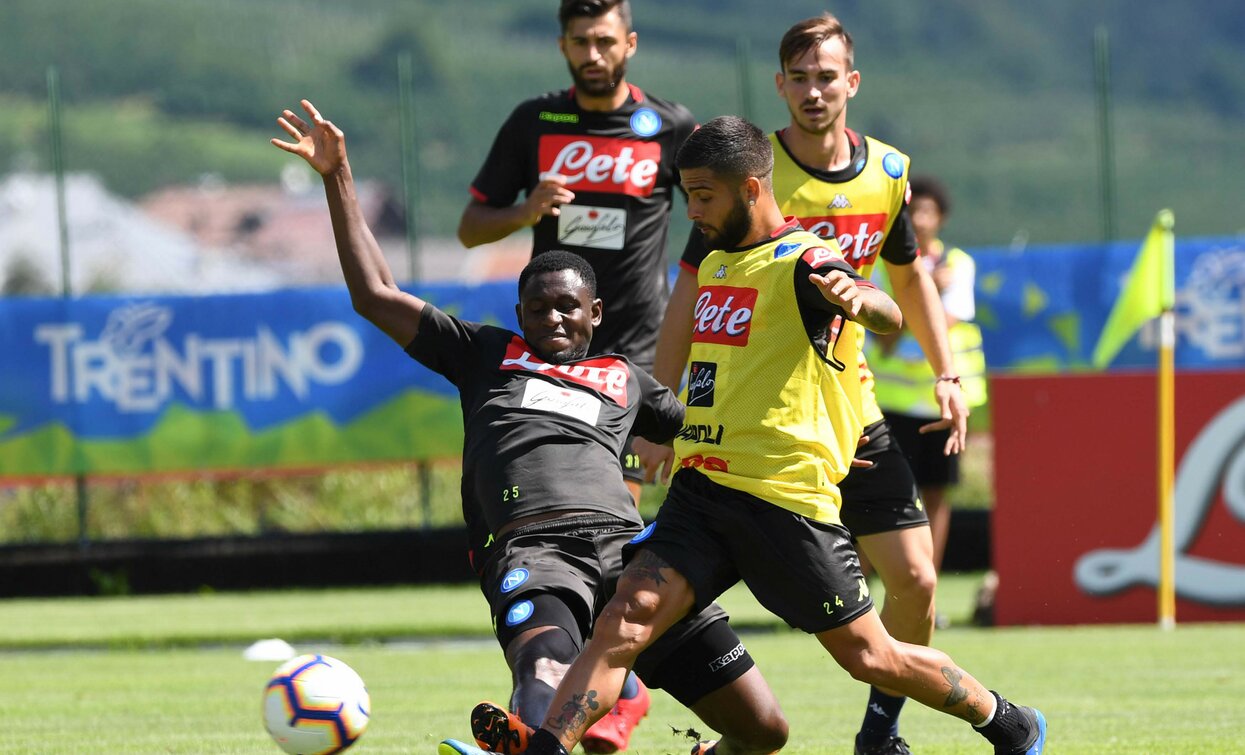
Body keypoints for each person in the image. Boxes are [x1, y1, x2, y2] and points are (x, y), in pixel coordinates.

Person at [462, 115, 1047, 755]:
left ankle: (1008, 721)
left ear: (750, 189)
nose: (693, 211)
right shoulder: (715, 263)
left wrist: (859, 301)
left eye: (704, 195)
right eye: (687, 195)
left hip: (782, 505)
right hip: (703, 492)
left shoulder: (803, 263)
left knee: (871, 657)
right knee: (622, 623)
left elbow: (884, 308)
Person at [271, 101, 788, 755]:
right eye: (538, 307)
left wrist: (817, 447)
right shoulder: (483, 353)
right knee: (542, 665)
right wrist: (337, 176)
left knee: (762, 730)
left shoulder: (626, 379)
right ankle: (531, 740)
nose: (554, 318)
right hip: (533, 553)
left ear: (594, 312)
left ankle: (553, 735)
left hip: (634, 557)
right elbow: (374, 293)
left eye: (568, 306)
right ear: (518, 310)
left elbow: (716, 431)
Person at [637, 15, 970, 754]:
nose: (813, 91)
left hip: (851, 408)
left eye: (827, 76)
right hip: (766, 425)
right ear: (779, 85)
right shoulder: (745, 171)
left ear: (851, 82)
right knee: (660, 593)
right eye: (799, 77)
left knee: (916, 580)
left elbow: (909, 278)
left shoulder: (887, 171)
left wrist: (947, 371)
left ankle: (879, 733)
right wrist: (661, 412)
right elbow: (689, 293)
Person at [458, 0, 698, 514]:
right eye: (581, 41)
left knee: (613, 504)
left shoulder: (668, 125)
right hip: (555, 347)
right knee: (564, 499)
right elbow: (470, 229)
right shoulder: (535, 122)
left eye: (605, 41)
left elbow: (712, 211)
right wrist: (527, 210)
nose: (593, 53)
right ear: (562, 45)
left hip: (636, 348)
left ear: (629, 45)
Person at [867, 176, 988, 586]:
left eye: (927, 213)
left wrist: (923, 299)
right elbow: (884, 341)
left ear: (941, 219)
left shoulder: (960, 264)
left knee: (936, 495)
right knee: (878, 496)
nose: (918, 220)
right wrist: (921, 292)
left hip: (942, 405)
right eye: (912, 211)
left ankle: (927, 589)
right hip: (891, 404)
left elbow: (943, 323)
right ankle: (859, 590)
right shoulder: (883, 269)